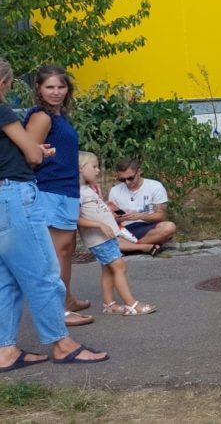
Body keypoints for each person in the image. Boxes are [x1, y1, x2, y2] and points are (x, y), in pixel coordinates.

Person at [0, 57, 108, 370]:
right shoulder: (4, 111)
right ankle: (62, 345)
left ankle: (6, 350)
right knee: (44, 273)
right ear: (4, 82)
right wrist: (40, 152)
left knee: (7, 280)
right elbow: (32, 154)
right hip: (14, 195)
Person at [22, 65, 92, 326]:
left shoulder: (58, 115)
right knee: (57, 252)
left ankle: (68, 299)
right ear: (38, 89)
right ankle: (58, 309)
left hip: (66, 189)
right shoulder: (41, 116)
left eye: (61, 86)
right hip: (50, 188)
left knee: (67, 248)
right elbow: (28, 156)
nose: (56, 92)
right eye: (49, 87)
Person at [77, 152, 157, 316]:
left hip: (107, 236)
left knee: (108, 269)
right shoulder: (78, 192)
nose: (98, 170)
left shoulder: (88, 190)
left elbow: (94, 211)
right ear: (80, 169)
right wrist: (100, 224)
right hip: (99, 239)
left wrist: (109, 211)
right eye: (94, 167)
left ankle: (109, 304)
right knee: (120, 267)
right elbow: (75, 218)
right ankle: (131, 304)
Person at [107, 158, 176, 255]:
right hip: (124, 229)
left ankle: (129, 247)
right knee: (103, 237)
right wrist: (117, 217)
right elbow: (112, 221)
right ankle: (145, 247)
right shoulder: (115, 190)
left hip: (148, 227)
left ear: (139, 172)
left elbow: (161, 216)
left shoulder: (155, 186)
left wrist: (140, 216)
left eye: (130, 178)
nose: (127, 182)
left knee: (169, 227)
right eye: (122, 179)